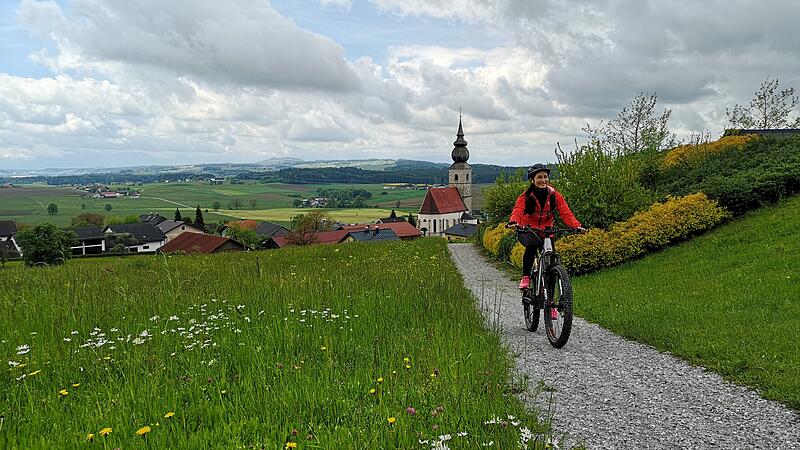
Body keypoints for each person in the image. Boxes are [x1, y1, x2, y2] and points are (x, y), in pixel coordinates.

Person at [507, 163, 584, 289]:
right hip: (529, 229)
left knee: (551, 262)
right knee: (531, 247)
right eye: (539, 177)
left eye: (545, 177)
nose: (543, 180)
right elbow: (518, 210)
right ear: (532, 180)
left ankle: (551, 303)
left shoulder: (554, 194)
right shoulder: (526, 196)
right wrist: (513, 222)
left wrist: (576, 225)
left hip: (547, 230)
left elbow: (565, 212)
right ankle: (526, 277)